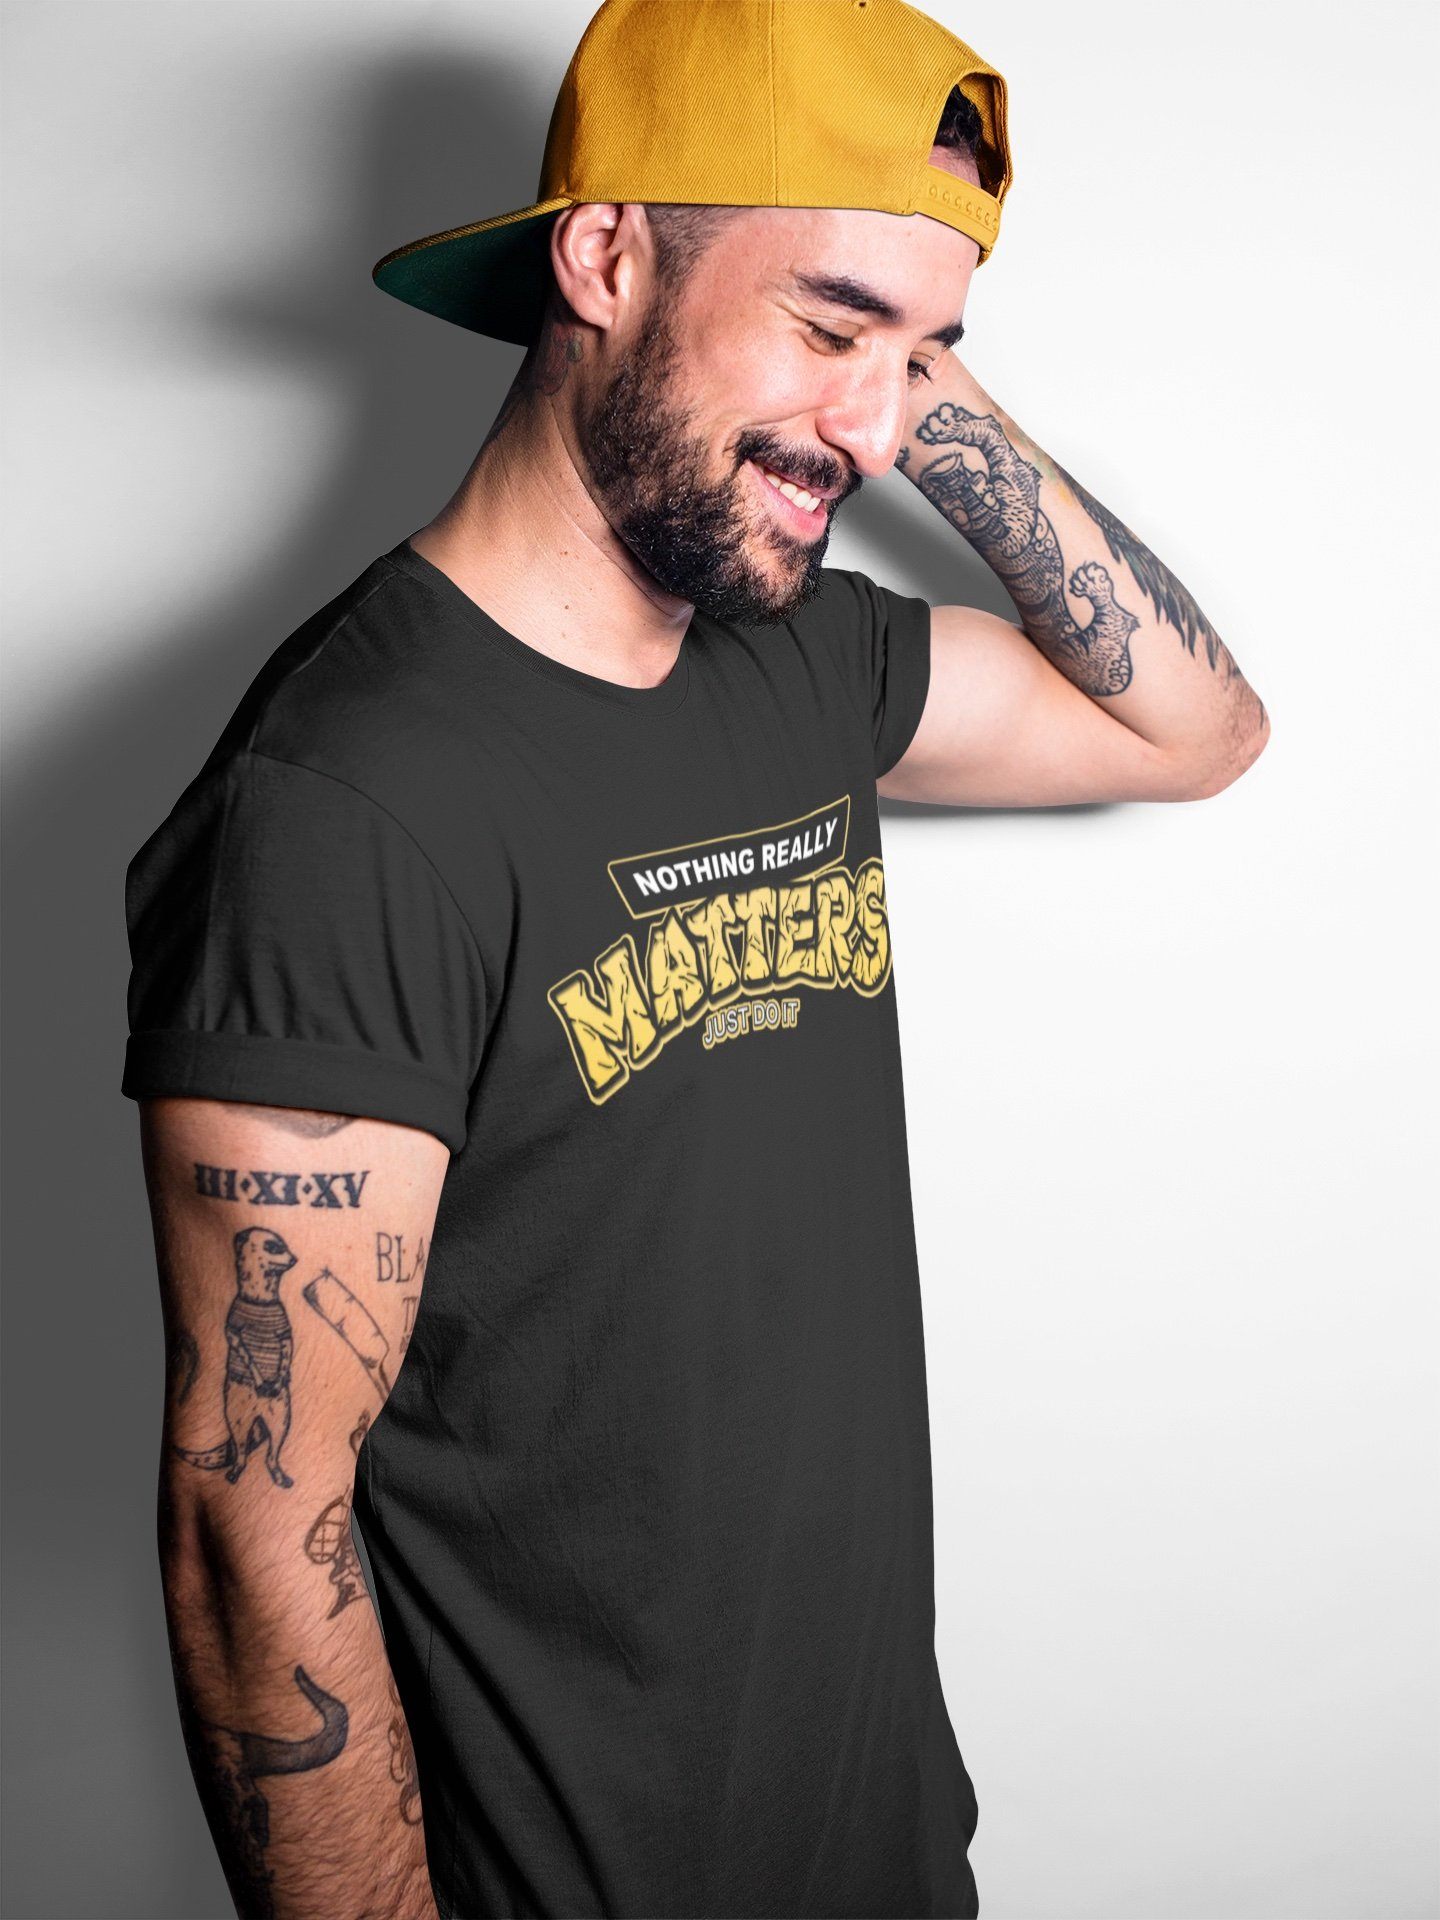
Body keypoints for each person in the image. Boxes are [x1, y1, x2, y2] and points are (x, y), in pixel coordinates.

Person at [121, 0, 1268, 1914]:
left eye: (927, 358)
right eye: (827, 325)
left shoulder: (800, 657)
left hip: (880, 1852)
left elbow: (1199, 732)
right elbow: (256, 1536)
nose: (877, 431)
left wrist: (887, 355)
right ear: (603, 258)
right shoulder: (345, 804)